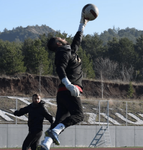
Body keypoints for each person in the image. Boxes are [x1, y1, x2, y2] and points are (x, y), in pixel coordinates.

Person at [37, 11, 89, 150]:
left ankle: (46, 144)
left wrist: (82, 25)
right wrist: (69, 84)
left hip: (63, 92)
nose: (63, 38)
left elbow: (77, 40)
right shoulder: (63, 52)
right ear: (59, 43)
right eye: (61, 38)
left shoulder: (69, 50)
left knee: (60, 120)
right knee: (78, 115)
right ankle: (54, 132)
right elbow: (60, 68)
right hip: (69, 89)